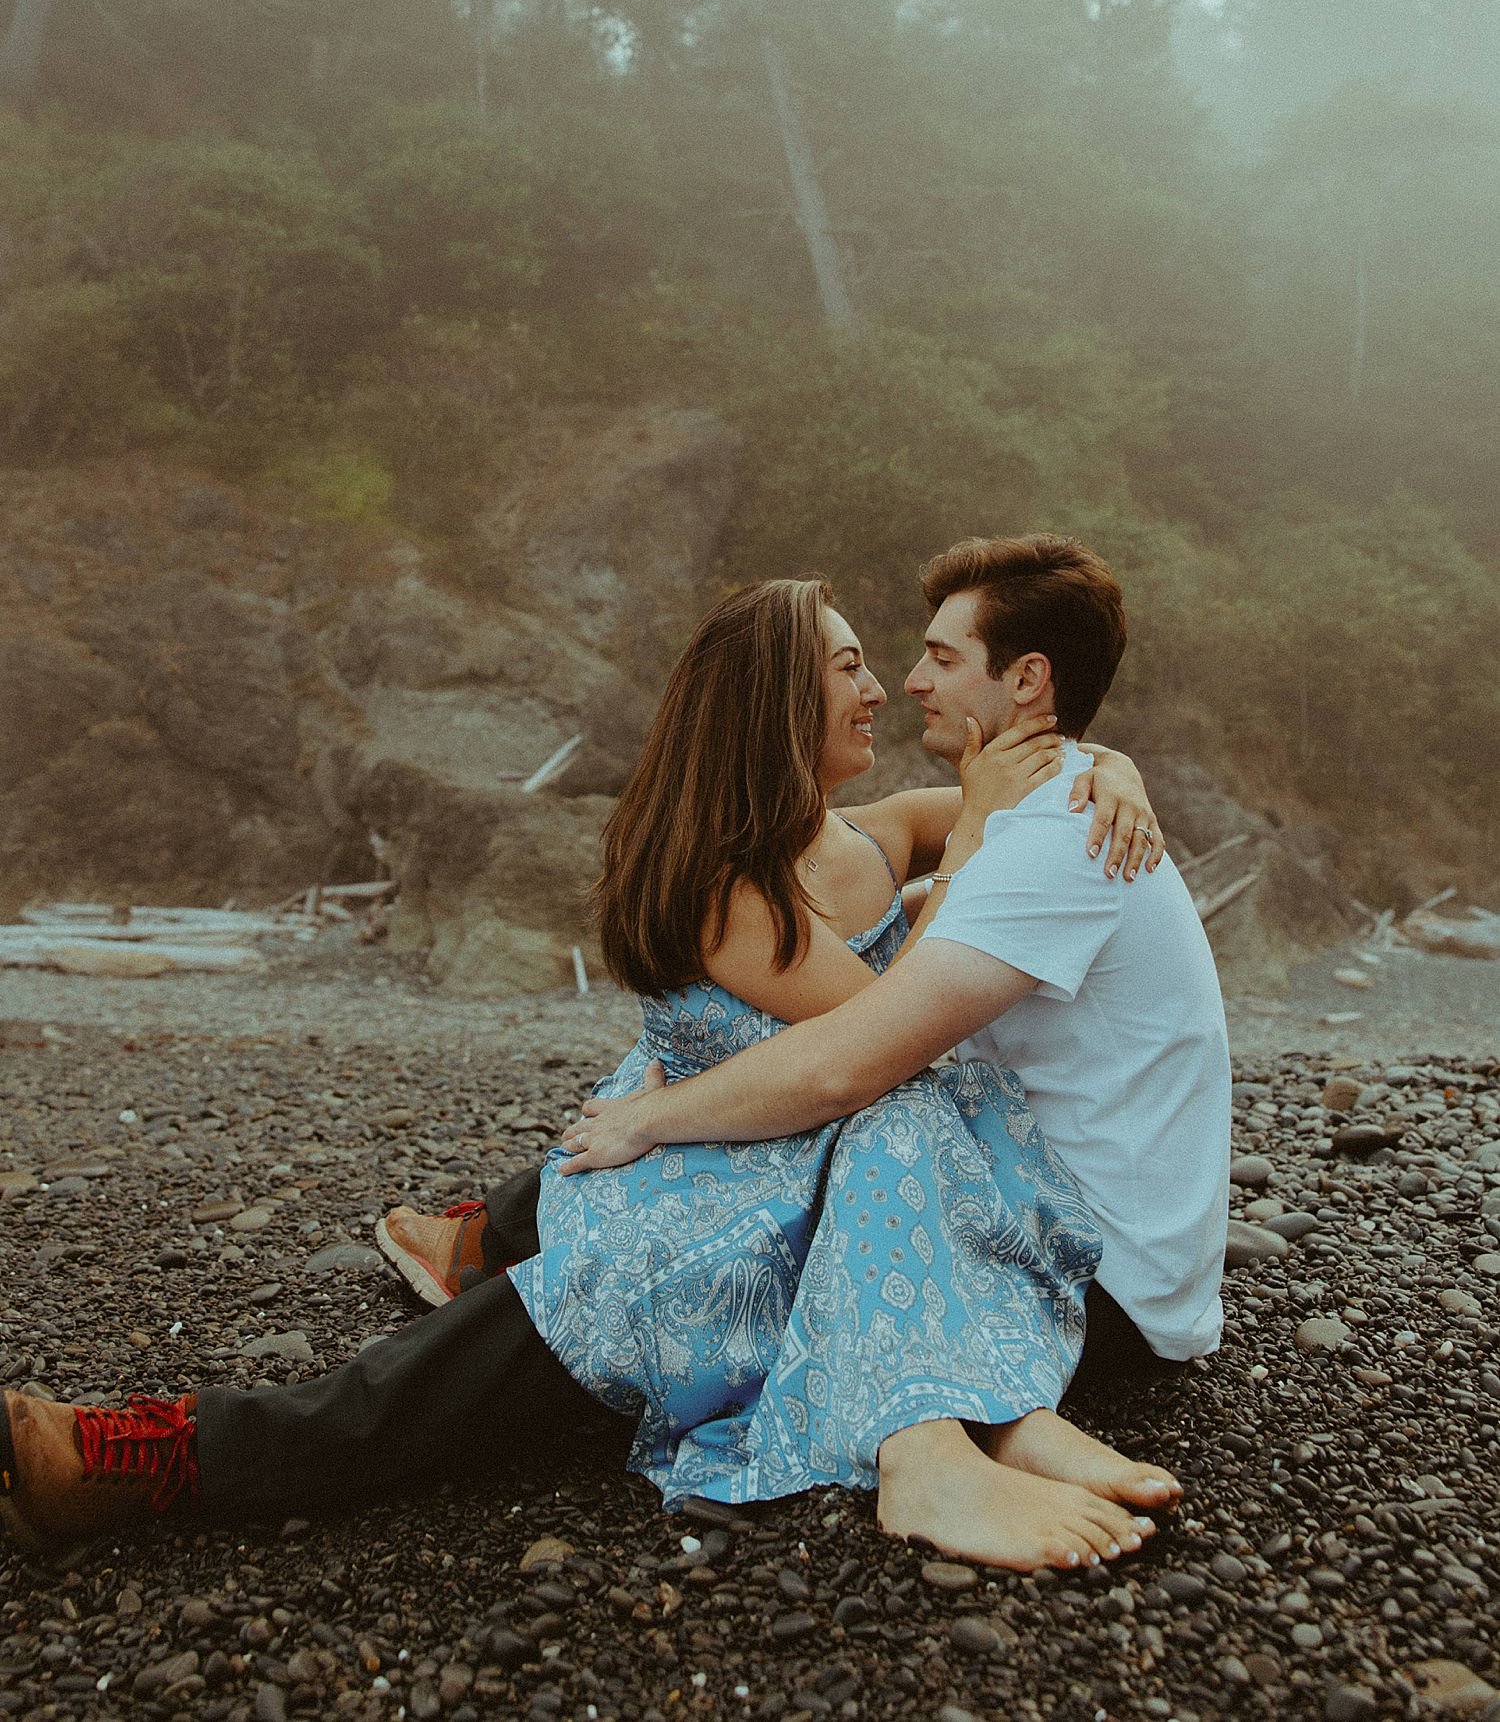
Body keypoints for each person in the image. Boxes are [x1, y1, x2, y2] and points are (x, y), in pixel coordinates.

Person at [1, 572, 1169, 1572]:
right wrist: (966, 855)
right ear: (774, 702)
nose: (880, 691)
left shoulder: (863, 833)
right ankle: (157, 1452)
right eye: (853, 669)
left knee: (611, 1217)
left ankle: (472, 1240)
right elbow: (880, 1036)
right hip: (750, 1165)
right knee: (555, 1318)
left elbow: (1019, 770)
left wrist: (1108, 766)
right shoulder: (736, 885)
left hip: (789, 1163)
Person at [559, 537, 1233, 1425]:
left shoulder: (1051, 835)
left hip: (1078, 1266)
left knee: (699, 1269)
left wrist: (650, 1117)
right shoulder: (1029, 818)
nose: (905, 682)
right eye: (863, 665)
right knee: (704, 1203)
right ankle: (500, 1251)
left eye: (942, 659)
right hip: (1023, 1199)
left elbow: (851, 1060)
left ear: (1025, 681)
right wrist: (1098, 765)